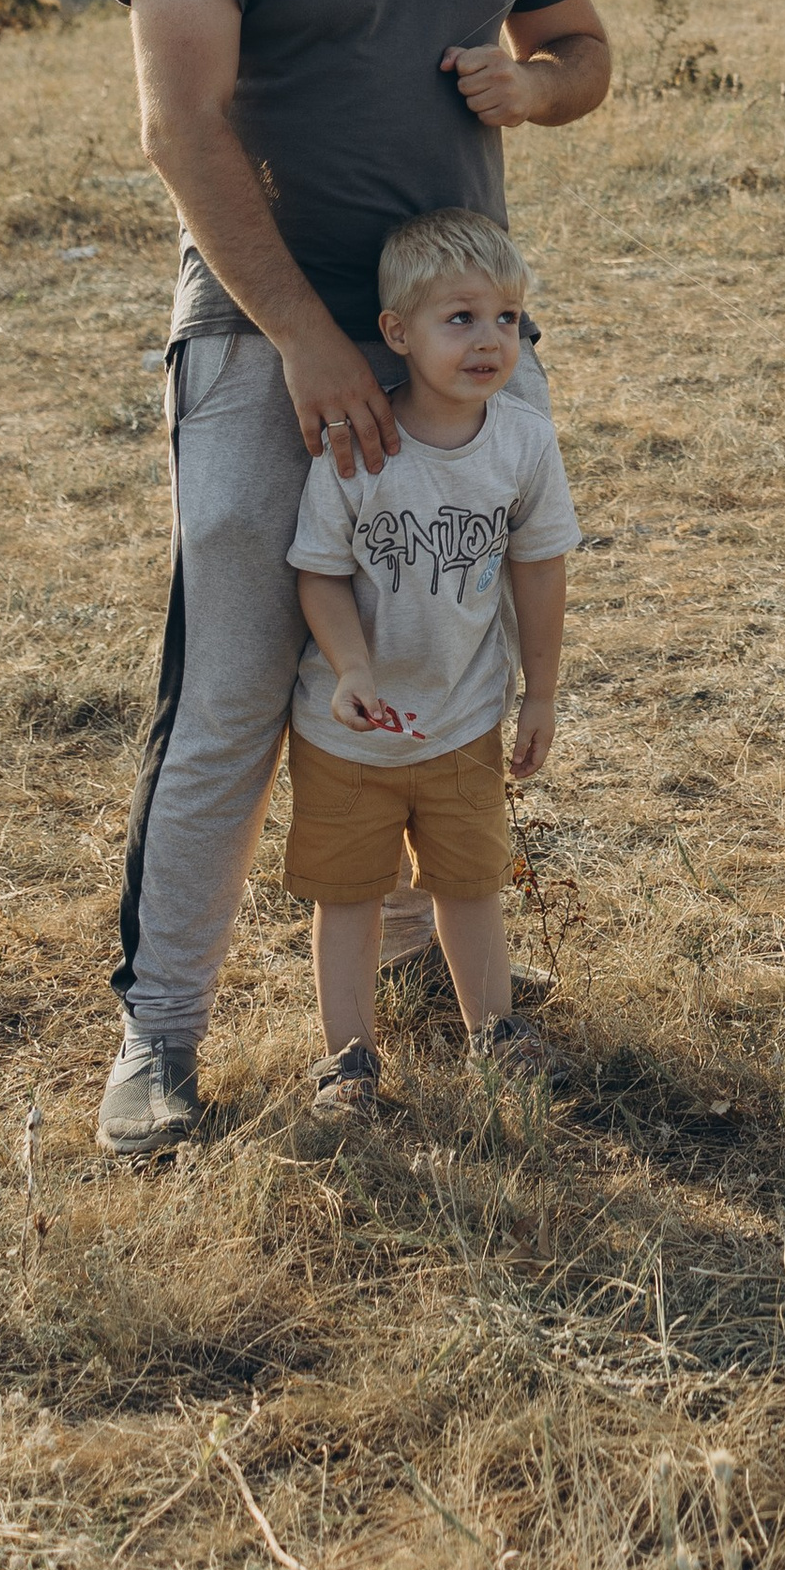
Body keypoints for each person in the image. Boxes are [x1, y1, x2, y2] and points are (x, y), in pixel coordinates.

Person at [99, 0, 612, 1162]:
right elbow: (181, 126)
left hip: (460, 340)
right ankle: (159, 1035)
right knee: (238, 689)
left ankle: (410, 944)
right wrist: (310, 342)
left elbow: (583, 49)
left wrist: (531, 90)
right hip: (261, 336)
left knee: (439, 638)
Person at [286, 207, 578, 1118]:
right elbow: (319, 575)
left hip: (463, 718)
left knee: (471, 883)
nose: (490, 339)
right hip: (348, 731)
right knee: (349, 898)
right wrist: (352, 669)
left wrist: (541, 694)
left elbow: (541, 568)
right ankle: (349, 1064)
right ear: (397, 332)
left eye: (507, 318)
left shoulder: (523, 443)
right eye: (461, 318)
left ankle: (495, 1034)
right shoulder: (357, 450)